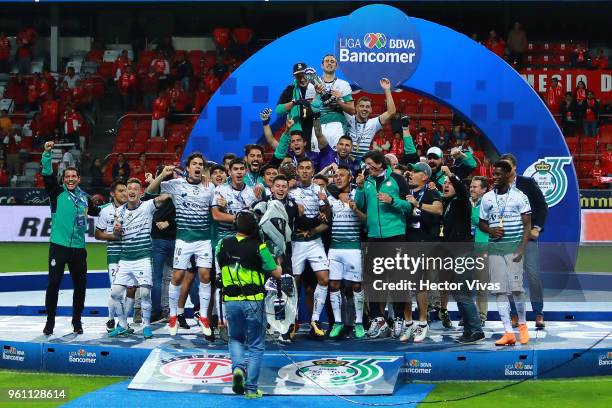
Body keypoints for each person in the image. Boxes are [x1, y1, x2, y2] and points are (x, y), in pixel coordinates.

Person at [146, 153, 217, 338]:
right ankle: (172, 316)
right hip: (183, 240)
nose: (198, 167)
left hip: (203, 240)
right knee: (177, 277)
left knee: (205, 275)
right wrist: (162, 175)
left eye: (201, 164)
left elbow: (215, 210)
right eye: (194, 163)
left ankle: (203, 317)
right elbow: (150, 192)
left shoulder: (210, 187)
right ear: (187, 167)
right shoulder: (176, 185)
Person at [216, 210, 281, 398]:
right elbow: (276, 273)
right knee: (256, 344)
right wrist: (278, 261)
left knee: (235, 338)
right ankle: (251, 389)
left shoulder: (222, 244)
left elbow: (220, 266)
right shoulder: (260, 247)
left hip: (230, 301)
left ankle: (237, 369)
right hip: (253, 301)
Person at [40, 141, 102, 336]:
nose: (70, 179)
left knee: (80, 287)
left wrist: (118, 206)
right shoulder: (56, 193)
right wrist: (47, 154)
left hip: (78, 249)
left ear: (79, 179)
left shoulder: (84, 198)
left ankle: (77, 321)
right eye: (67, 176)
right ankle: (50, 322)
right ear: (63, 179)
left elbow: (98, 211)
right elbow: (47, 175)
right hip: (58, 247)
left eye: (74, 176)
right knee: (54, 284)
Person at [355, 150, 413, 338]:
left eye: (371, 164)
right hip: (373, 236)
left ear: (380, 163)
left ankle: (398, 319)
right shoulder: (367, 181)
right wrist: (360, 188)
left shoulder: (397, 179)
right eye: (366, 165)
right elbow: (359, 205)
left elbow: (409, 207)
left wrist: (392, 200)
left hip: (395, 234)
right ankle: (378, 318)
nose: (368, 168)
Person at [107, 176, 172, 339]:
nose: (132, 191)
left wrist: (170, 192)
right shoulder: (119, 211)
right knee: (115, 294)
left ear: (140, 192)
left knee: (144, 293)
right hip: (125, 258)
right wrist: (116, 230)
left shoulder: (147, 206)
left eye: (136, 189)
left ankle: (146, 325)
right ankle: (122, 325)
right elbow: (117, 235)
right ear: (126, 192)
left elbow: (162, 198)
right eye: (129, 189)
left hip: (143, 257)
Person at [479, 160, 531, 346]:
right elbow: (482, 222)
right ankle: (508, 331)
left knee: (516, 289)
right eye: (494, 174)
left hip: (513, 248)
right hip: (495, 249)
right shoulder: (487, 198)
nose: (495, 177)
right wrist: (490, 231)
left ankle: (523, 325)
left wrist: (521, 249)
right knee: (499, 291)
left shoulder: (520, 197)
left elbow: (527, 225)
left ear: (508, 176)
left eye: (499, 174)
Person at [500, 153, 548, 328]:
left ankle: (538, 313)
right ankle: (515, 314)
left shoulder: (527, 183)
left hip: (528, 238)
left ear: (514, 168)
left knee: (533, 276)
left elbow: (542, 206)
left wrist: (537, 228)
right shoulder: (499, 186)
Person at [439, 166, 485, 344]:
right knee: (458, 293)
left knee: (463, 293)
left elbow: (462, 190)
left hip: (463, 253)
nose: (446, 185)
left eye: (449, 183)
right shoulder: (449, 204)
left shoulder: (462, 201)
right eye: (444, 183)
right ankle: (468, 330)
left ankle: (476, 330)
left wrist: (451, 174)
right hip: (453, 254)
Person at [321, 165, 367, 338]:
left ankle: (359, 322)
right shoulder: (330, 198)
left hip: (353, 247)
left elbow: (366, 221)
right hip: (334, 248)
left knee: (356, 286)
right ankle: (338, 323)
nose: (338, 178)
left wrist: (356, 209)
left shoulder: (358, 195)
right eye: (336, 175)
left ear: (350, 178)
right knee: (334, 285)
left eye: (342, 175)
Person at [288, 157, 331, 336]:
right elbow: (292, 219)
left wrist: (325, 204)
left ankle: (314, 320)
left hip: (315, 242)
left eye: (308, 168)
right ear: (297, 172)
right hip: (297, 244)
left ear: (313, 171)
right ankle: (292, 322)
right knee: (293, 284)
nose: (305, 171)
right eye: (302, 168)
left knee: (324, 279)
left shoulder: (319, 190)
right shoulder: (290, 192)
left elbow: (327, 218)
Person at [94, 180, 134, 333]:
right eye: (120, 191)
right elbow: (97, 234)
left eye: (125, 190)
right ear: (112, 194)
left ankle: (123, 322)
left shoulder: (133, 209)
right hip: (114, 255)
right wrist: (114, 237)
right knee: (116, 290)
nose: (124, 193)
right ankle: (112, 319)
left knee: (131, 289)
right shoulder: (105, 211)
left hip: (131, 254)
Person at [310, 54, 355, 152]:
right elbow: (310, 110)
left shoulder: (343, 84)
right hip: (318, 125)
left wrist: (338, 101)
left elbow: (352, 110)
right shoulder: (312, 85)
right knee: (317, 159)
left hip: (336, 124)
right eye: (327, 61)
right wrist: (317, 95)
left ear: (336, 66)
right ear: (322, 65)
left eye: (332, 61)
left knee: (336, 157)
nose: (329, 63)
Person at [344, 78, 396, 160]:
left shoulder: (373, 123)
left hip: (363, 163)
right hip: (346, 160)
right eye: (362, 106)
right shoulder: (347, 118)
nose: (364, 109)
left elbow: (391, 112)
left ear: (371, 109)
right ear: (356, 108)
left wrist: (387, 89)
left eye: (367, 107)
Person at [275, 62, 316, 148]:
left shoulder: (316, 86)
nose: (302, 79)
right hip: (298, 133)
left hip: (315, 130)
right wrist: (294, 103)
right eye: (298, 77)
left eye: (304, 75)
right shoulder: (290, 89)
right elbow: (278, 110)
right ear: (294, 77)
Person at [469, 176, 490, 325]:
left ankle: (481, 316)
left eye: (475, 187)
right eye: (471, 186)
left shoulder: (488, 203)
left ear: (484, 190)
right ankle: (469, 315)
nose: (471, 189)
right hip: (469, 246)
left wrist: (469, 210)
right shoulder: (472, 202)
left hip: (482, 247)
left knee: (481, 283)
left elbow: (479, 220)